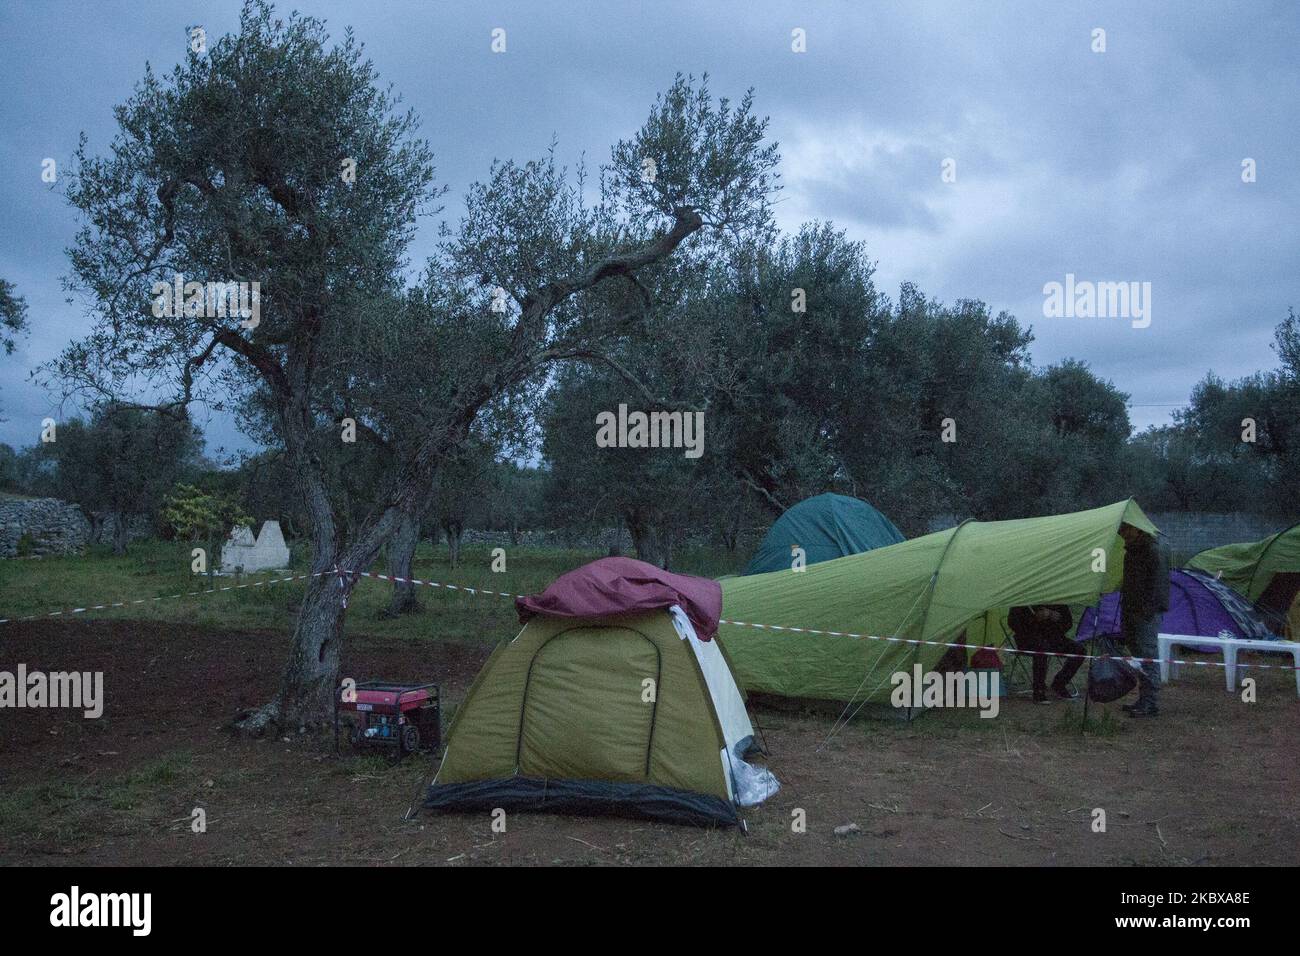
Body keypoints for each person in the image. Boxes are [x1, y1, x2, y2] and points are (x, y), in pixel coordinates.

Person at [1118, 525, 1171, 718]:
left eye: (1125, 530)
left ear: (1136, 529)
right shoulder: (1131, 551)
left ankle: (1150, 702)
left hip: (1145, 613)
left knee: (1148, 654)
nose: (1122, 534)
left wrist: (1147, 612)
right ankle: (1143, 699)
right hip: (1131, 608)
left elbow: (1158, 584)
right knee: (1138, 655)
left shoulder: (1153, 549)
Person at [1008, 603, 1080, 703]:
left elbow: (1068, 624)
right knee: (1042, 648)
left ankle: (1059, 684)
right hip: (1028, 639)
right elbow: (1013, 623)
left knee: (1079, 650)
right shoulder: (1024, 601)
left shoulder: (1057, 600)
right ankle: (1039, 690)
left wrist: (1054, 617)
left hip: (1053, 638)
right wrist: (1035, 619)